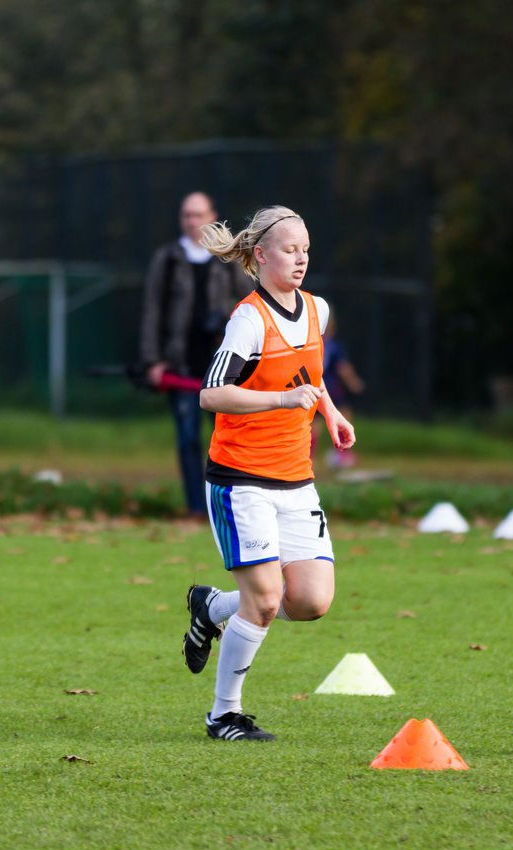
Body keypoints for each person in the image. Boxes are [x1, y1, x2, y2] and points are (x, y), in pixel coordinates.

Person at [180, 205, 356, 742]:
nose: (300, 258)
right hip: (240, 480)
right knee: (264, 600)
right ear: (260, 256)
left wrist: (329, 412)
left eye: (305, 249)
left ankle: (211, 608)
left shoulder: (318, 310)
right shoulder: (248, 319)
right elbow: (211, 394)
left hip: (296, 477)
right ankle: (223, 714)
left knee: (309, 601)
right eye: (288, 249)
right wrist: (282, 400)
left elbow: (310, 376)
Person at [139, 192, 254, 517]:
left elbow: (249, 300)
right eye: (187, 215)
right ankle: (195, 507)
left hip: (221, 368)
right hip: (181, 367)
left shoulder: (226, 257)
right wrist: (153, 360)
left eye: (199, 214)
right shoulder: (168, 259)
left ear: (212, 216)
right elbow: (153, 311)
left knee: (225, 440)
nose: (193, 221)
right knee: (188, 438)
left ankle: (225, 505)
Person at [315, 309, 365, 469]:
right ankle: (342, 453)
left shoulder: (311, 343)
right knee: (344, 415)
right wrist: (353, 382)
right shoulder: (333, 345)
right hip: (330, 388)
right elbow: (343, 368)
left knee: (314, 423)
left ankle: (308, 457)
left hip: (313, 386)